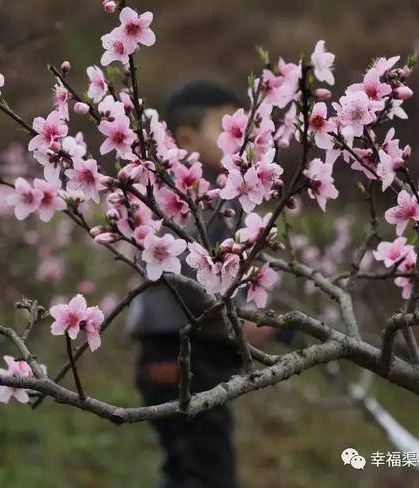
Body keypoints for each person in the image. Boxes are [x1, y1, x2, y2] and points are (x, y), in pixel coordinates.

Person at [127, 81, 274, 488]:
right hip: (185, 354)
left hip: (172, 352)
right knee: (209, 474)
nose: (241, 138)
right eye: (227, 127)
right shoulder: (193, 191)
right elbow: (194, 280)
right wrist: (239, 322)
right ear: (187, 138)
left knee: (185, 468)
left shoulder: (208, 191)